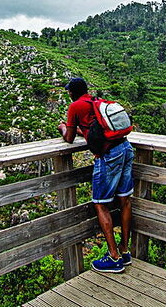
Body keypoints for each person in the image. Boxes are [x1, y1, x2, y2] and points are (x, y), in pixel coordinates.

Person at [58, 77, 134, 273]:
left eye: (69, 92)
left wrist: (62, 128)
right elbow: (96, 129)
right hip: (125, 148)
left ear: (72, 93)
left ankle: (114, 257)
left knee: (101, 203)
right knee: (125, 200)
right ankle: (125, 251)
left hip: (108, 155)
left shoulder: (75, 106)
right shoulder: (95, 101)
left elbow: (69, 138)